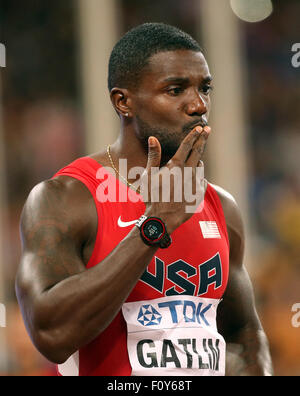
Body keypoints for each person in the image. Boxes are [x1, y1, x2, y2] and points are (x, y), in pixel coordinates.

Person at [16, 23, 273, 376]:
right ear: (124, 102)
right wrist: (155, 226)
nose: (198, 105)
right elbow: (51, 334)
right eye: (176, 89)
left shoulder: (221, 207)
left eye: (205, 88)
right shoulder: (66, 198)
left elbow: (244, 335)